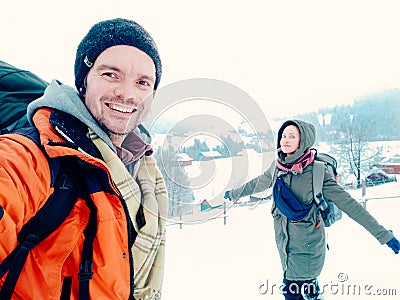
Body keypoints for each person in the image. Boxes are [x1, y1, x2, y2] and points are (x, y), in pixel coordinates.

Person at [0, 18, 168, 299]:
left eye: (142, 82)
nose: (127, 93)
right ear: (83, 82)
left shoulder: (141, 168)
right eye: (110, 74)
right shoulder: (29, 157)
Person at [224, 119, 399, 300]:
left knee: (292, 291)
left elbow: (350, 205)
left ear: (303, 140)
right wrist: (234, 193)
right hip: (285, 245)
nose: (285, 140)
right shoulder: (277, 168)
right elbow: (258, 183)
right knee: (305, 288)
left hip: (308, 247)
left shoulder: (317, 172)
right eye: (283, 135)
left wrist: (384, 235)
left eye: (292, 136)